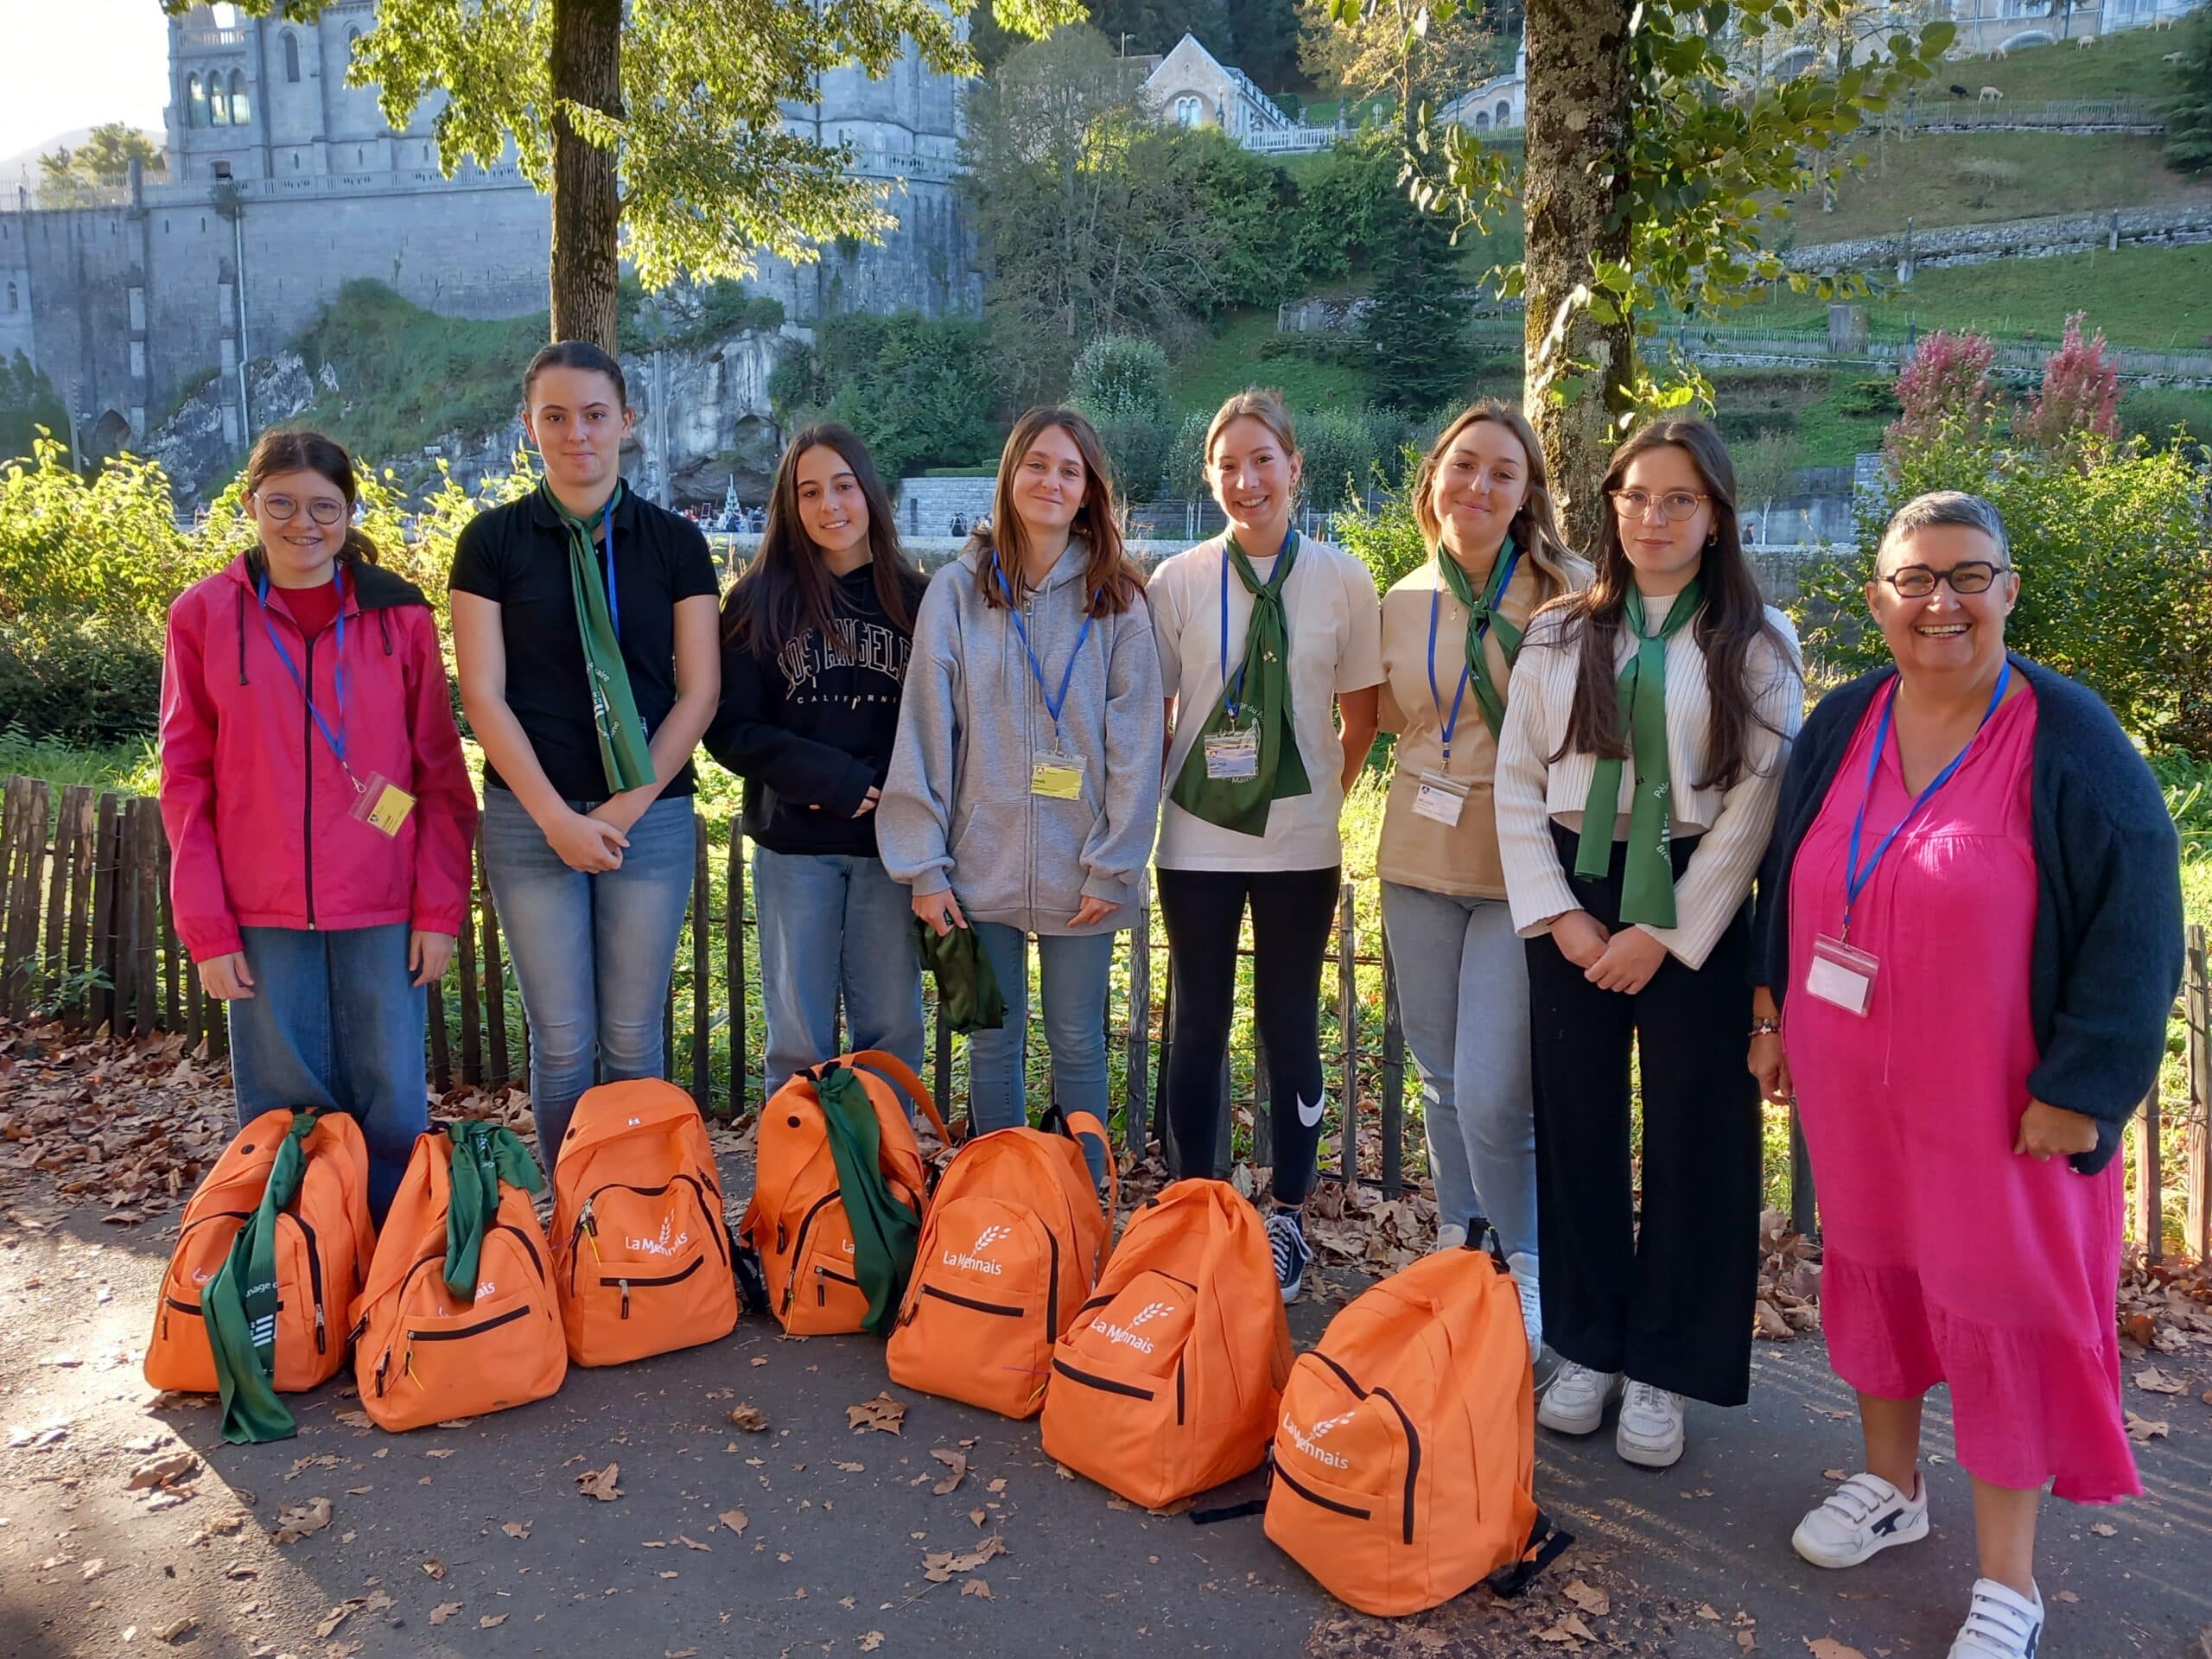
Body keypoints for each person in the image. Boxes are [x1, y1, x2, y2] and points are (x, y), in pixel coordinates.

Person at [1751, 492, 2183, 1659]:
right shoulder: (1845, 719)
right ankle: (1894, 1490)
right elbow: (1785, 864)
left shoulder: (2070, 740)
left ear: (2008, 591)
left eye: (1968, 576)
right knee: (1878, 1276)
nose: (1941, 602)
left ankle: (2011, 1583)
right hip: (1852, 1088)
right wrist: (1770, 1007)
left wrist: (2087, 1085)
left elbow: (2141, 921)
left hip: (2002, 1109)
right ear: (1879, 597)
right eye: (1915, 580)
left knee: (2003, 1311)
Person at [1495, 416, 1802, 1468]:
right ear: (1609, 507)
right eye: (1635, 497)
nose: (1653, 518)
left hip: (1688, 898)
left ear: (1716, 518)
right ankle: (1586, 1344)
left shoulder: (1759, 647)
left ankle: (1665, 1365)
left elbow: (1758, 802)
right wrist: (1563, 915)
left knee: (1694, 1138)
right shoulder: (1557, 634)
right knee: (1574, 1124)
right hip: (1574, 889)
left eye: (1680, 500)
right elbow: (1516, 787)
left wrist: (1661, 935)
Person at [160, 430, 476, 1222]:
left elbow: (438, 775)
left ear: (348, 513)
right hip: (259, 915)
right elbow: (185, 781)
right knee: (280, 1122)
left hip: (383, 906)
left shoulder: (397, 616)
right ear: (251, 506)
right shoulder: (202, 615)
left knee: (395, 1110)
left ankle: (394, 1279)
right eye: (282, 504)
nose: (304, 524)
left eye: (324, 507)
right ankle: (301, 1275)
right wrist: (208, 928)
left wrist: (438, 912)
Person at [449, 340, 722, 1162]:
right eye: (556, 416)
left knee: (635, 1038)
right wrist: (557, 820)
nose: (578, 434)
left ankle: (637, 1220)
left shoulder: (674, 542)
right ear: (528, 427)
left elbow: (699, 692)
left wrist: (620, 810)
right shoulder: (491, 541)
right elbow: (483, 695)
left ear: (626, 423)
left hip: (651, 820)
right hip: (532, 821)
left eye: (596, 415)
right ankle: (573, 1216)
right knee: (563, 1042)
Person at [878, 407, 1162, 1183]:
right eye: (1037, 463)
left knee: (1078, 1041)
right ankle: (993, 1202)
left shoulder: (1120, 602)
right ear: (1010, 475)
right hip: (976, 871)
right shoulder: (956, 593)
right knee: (989, 1038)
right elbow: (927, 730)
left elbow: (1137, 748)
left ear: (1089, 493)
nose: (1051, 481)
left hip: (1082, 878)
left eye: (1070, 470)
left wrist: (1114, 867)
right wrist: (924, 866)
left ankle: (1087, 1201)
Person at [1147, 388, 1384, 1302]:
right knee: (1197, 1026)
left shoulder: (1343, 579)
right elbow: (1164, 719)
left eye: (1262, 460)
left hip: (1298, 847)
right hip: (1197, 843)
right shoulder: (1176, 582)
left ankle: (1285, 1215)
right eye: (1227, 465)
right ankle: (1193, 1206)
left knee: (1290, 1028)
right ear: (1211, 479)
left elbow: (1358, 720)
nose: (1246, 480)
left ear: (1295, 467)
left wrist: (1319, 802)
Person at [1374, 400, 1589, 1365]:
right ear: (1434, 479)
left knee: (1499, 1090)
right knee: (1439, 1073)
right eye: (1464, 466)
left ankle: (1527, 1256)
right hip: (1416, 864)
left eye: (1502, 472)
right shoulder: (1401, 599)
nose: (1479, 486)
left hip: (1521, 872)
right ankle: (1460, 1241)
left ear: (1526, 493)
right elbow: (1392, 724)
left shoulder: (1570, 595)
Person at [705, 425, 929, 1092]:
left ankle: (883, 1183)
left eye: (843, 485)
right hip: (795, 846)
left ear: (870, 493)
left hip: (893, 846)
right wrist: (828, 778)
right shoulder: (754, 602)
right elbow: (728, 727)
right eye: (809, 492)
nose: (829, 505)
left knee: (890, 1030)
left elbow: (949, 722)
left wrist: (895, 788)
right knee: (797, 1037)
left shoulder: (920, 602)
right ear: (789, 506)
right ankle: (800, 1185)